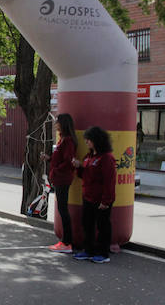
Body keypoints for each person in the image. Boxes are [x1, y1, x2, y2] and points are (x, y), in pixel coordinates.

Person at [71, 126, 117, 264]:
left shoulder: (106, 158)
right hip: (88, 196)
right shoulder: (89, 156)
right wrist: (79, 166)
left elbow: (109, 181)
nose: (87, 143)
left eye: (89, 140)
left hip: (101, 199)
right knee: (87, 224)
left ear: (97, 140)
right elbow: (84, 175)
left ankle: (103, 253)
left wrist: (106, 200)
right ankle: (88, 250)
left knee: (102, 226)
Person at [41, 113, 77, 253]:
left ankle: (67, 242)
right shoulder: (64, 139)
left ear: (63, 124)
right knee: (62, 210)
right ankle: (64, 241)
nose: (55, 124)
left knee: (63, 210)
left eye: (57, 122)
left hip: (62, 178)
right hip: (60, 177)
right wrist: (49, 159)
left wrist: (55, 170)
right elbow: (61, 159)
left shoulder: (67, 141)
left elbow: (67, 162)